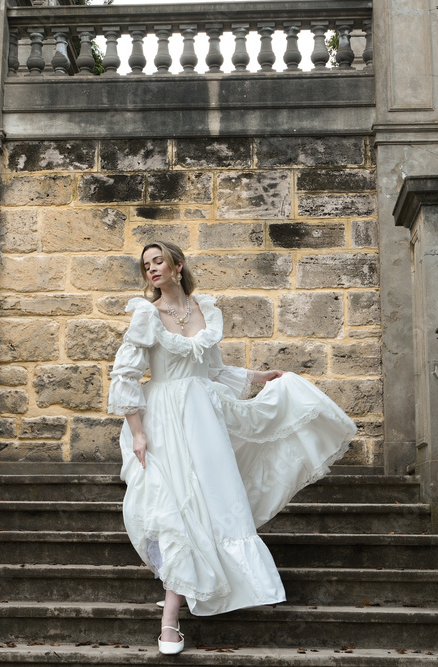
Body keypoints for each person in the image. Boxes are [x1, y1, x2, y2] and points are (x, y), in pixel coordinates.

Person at [107, 241, 358, 654]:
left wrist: (261, 377)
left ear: (177, 265)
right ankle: (169, 622)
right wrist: (137, 432)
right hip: (164, 418)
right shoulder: (146, 315)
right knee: (176, 508)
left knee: (209, 504)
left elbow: (215, 371)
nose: (152, 269)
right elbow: (127, 376)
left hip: (204, 418)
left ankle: (188, 585)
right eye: (146, 264)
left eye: (158, 261)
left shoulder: (205, 311)